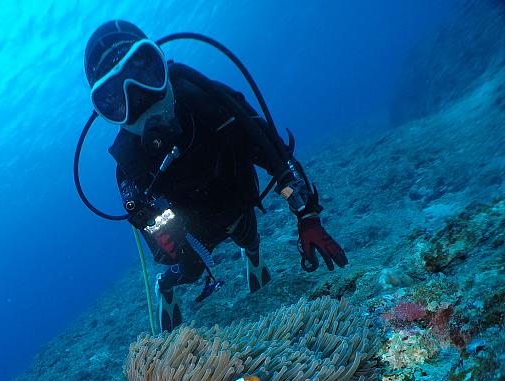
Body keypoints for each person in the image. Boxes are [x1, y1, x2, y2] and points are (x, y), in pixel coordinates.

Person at [84, 20, 348, 332]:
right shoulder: (130, 166)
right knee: (190, 272)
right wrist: (164, 238)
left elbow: (275, 156)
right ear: (105, 113)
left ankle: (251, 253)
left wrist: (306, 215)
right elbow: (152, 236)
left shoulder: (213, 101)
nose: (139, 99)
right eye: (115, 99)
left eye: (144, 71)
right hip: (193, 236)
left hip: (236, 201)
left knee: (249, 236)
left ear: (163, 66)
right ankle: (165, 287)